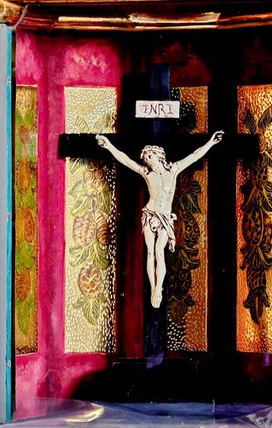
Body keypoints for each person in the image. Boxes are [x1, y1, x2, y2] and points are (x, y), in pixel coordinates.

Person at [96, 130, 224, 308]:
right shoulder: (147, 173)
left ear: (159, 156)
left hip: (164, 217)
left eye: (150, 157)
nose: (148, 161)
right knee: (150, 252)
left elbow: (194, 156)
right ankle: (153, 287)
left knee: (159, 251)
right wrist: (109, 146)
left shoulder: (174, 169)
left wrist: (211, 142)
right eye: (146, 159)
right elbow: (125, 160)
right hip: (150, 214)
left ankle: (159, 288)